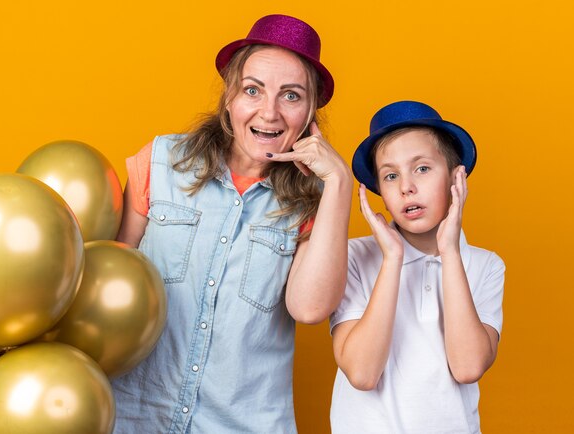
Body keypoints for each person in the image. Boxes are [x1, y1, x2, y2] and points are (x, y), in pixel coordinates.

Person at [112, 14, 352, 434]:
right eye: (253, 90)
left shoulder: (314, 200)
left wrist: (339, 184)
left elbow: (311, 307)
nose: (269, 111)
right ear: (229, 97)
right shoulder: (161, 161)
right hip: (134, 415)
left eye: (291, 96)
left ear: (310, 113)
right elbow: (111, 274)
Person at [330, 101, 505, 433]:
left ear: (456, 177)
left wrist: (449, 252)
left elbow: (468, 367)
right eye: (391, 175)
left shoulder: (486, 266)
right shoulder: (354, 256)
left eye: (422, 168)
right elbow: (363, 374)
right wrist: (392, 260)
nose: (406, 186)